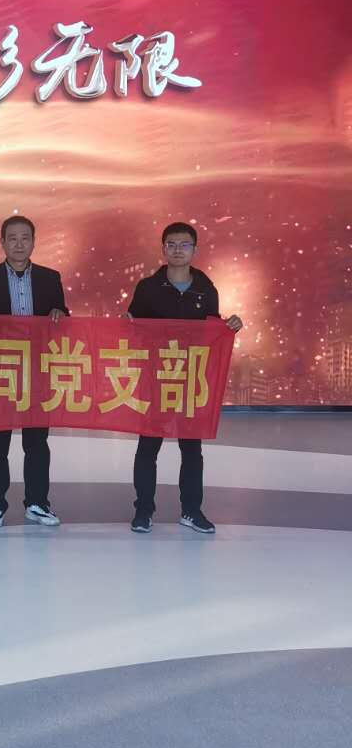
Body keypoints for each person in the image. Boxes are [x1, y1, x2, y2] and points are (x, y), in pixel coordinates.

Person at [127, 222, 243, 535]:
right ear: (163, 248)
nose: (178, 250)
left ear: (195, 249)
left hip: (192, 379)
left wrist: (228, 325)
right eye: (172, 244)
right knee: (148, 446)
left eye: (184, 244)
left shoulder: (206, 288)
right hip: (156, 377)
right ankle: (143, 511)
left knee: (191, 449)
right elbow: (132, 328)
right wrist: (127, 322)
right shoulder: (147, 288)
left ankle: (191, 511)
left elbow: (211, 331)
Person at [0, 215, 68, 529]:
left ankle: (37, 503)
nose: (19, 244)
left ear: (34, 242)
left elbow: (64, 318)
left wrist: (59, 313)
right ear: (2, 243)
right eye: (13, 238)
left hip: (38, 371)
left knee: (37, 443)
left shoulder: (50, 278)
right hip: (0, 371)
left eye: (25, 238)